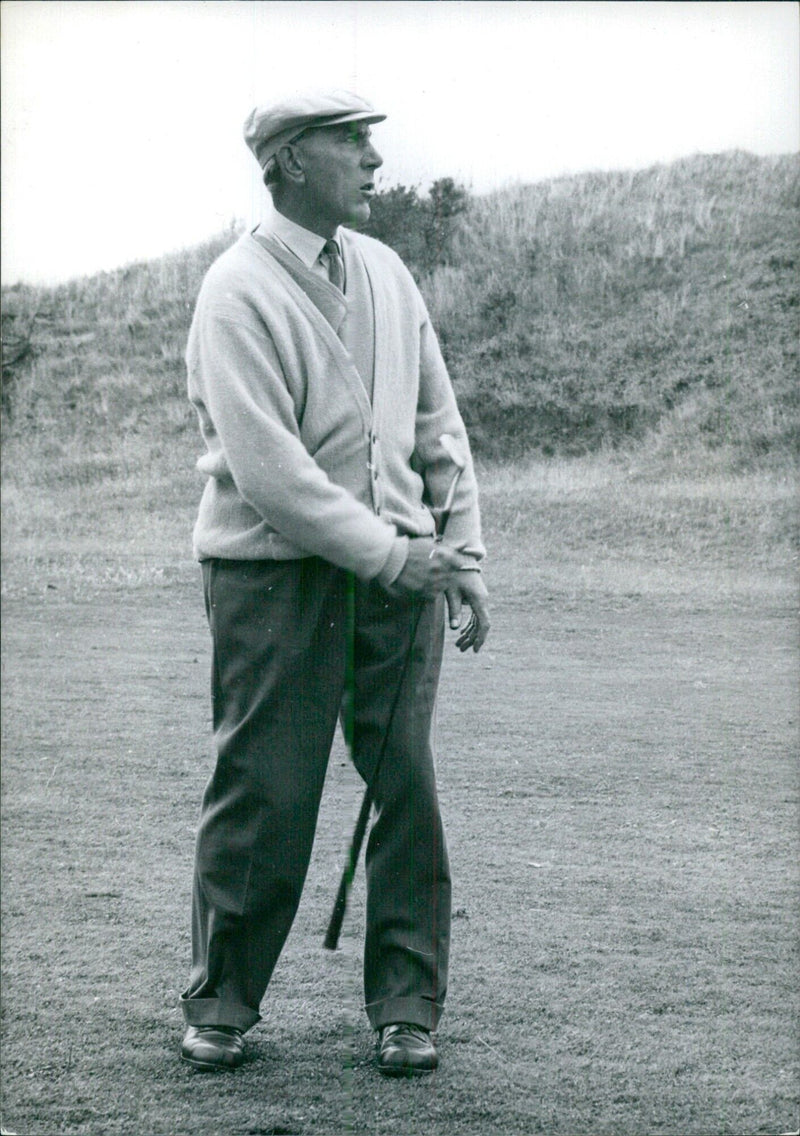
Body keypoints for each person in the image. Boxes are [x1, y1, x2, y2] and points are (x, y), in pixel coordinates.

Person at [179, 89, 490, 1077]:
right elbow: (272, 475)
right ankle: (222, 1000)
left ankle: (406, 1004)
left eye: (370, 142)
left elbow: (439, 424)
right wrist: (395, 552)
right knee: (265, 789)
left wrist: (462, 553)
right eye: (348, 142)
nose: (371, 160)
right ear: (286, 161)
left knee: (406, 784)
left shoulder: (389, 272)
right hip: (273, 578)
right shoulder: (235, 289)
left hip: (399, 577)